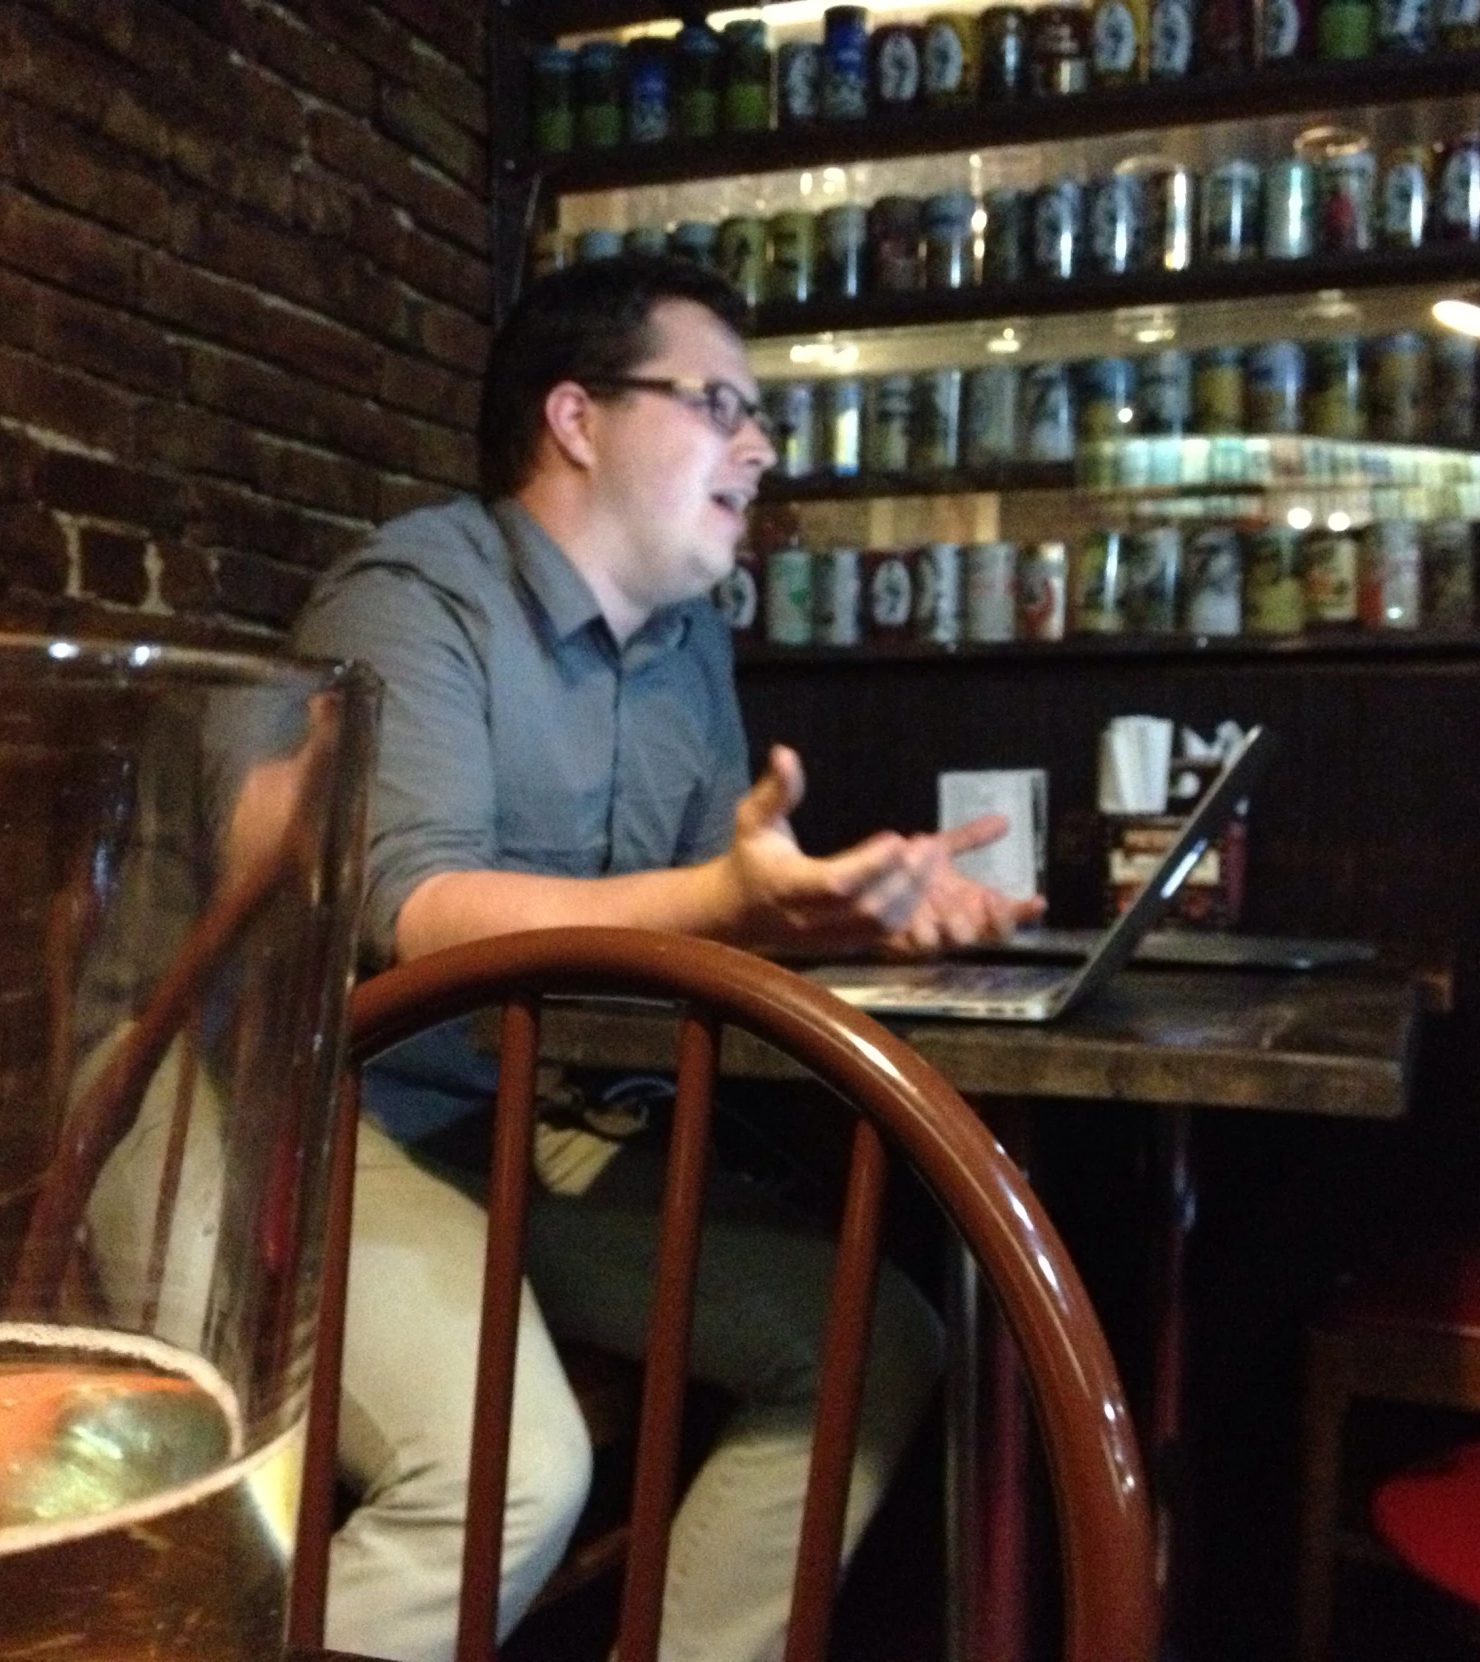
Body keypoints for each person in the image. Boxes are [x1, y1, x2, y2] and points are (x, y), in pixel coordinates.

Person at [290, 255, 1042, 1662]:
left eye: (761, 417)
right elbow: (419, 912)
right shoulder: (414, 592)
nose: (758, 446)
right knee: (509, 1470)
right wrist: (728, 898)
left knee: (876, 1342)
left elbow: (704, 905)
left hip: (508, 1118)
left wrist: (857, 910)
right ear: (577, 417)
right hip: (318, 1114)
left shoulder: (688, 641)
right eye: (719, 404)